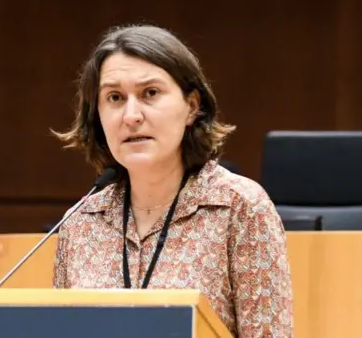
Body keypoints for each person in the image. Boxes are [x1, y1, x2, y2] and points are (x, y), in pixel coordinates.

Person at [51, 24, 293, 337]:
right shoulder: (81, 222)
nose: (131, 115)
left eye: (150, 93)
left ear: (192, 106)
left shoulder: (239, 208)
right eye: (114, 97)